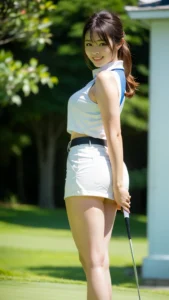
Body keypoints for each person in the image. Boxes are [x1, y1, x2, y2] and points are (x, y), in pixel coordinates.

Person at [64, 10, 138, 300]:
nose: (94, 50)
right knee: (97, 261)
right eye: (89, 43)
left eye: (101, 43)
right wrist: (119, 180)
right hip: (100, 165)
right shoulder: (114, 75)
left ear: (118, 43)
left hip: (90, 164)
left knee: (93, 261)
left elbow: (115, 132)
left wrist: (120, 184)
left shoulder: (107, 79)